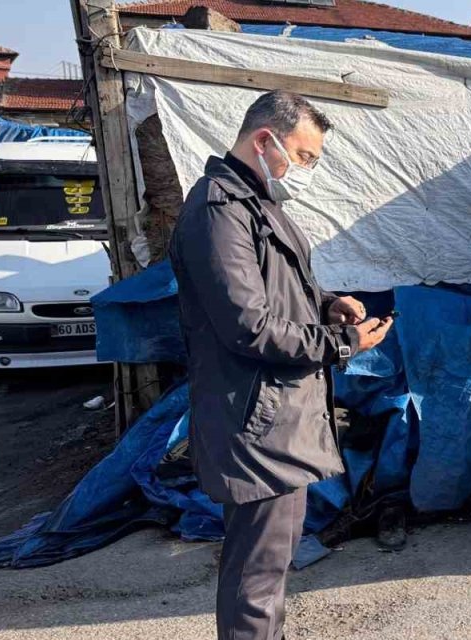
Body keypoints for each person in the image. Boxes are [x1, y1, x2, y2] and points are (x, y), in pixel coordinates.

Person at [169, 90, 391, 639]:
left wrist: (325, 304)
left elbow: (277, 292)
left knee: (272, 561)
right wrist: (342, 343)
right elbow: (249, 326)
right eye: (305, 156)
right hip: (257, 421)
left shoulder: (257, 205)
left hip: (276, 418)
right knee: (258, 575)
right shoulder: (220, 211)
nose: (307, 170)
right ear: (265, 140)